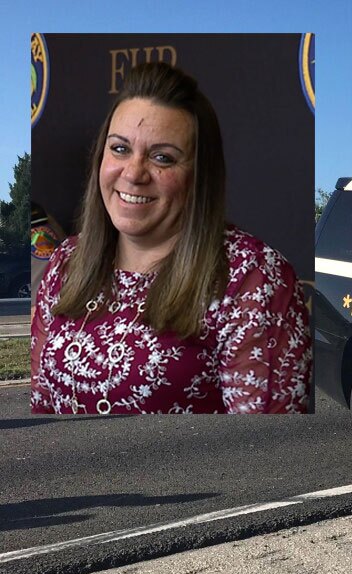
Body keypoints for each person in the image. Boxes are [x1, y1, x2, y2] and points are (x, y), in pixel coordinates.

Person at [30, 62, 310, 414]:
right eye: (119, 149)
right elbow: (41, 407)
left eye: (162, 157)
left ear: (198, 176)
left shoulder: (252, 277)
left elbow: (262, 451)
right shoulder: (66, 261)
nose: (133, 173)